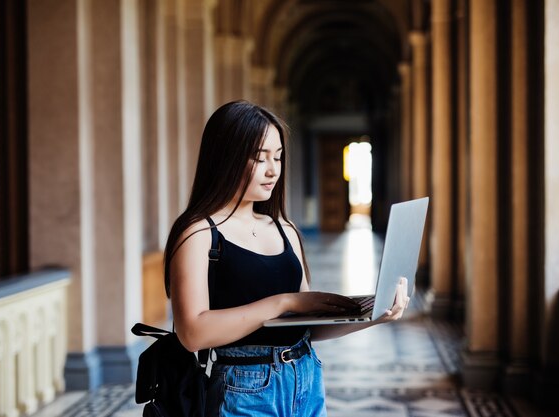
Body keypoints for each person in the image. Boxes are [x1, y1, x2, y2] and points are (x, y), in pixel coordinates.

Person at [164, 100, 410, 417]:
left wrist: (372, 315)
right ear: (226, 157)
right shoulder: (199, 233)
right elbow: (192, 333)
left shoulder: (285, 229)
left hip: (305, 376)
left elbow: (305, 328)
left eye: (278, 157)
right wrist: (284, 303)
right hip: (245, 388)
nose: (273, 170)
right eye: (259, 158)